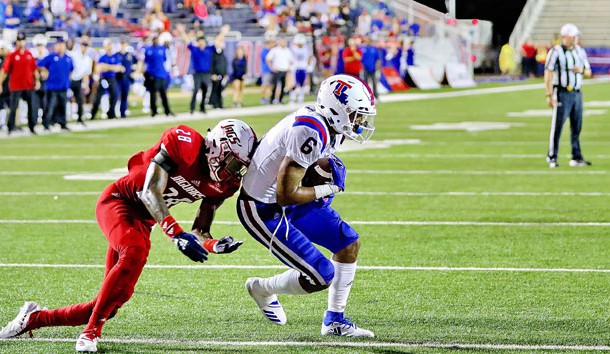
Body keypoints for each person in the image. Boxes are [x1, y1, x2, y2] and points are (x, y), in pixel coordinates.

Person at [0, 119, 258, 353]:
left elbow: (199, 231)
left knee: (108, 305)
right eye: (234, 163)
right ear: (218, 148)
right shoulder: (185, 143)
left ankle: (34, 318)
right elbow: (149, 192)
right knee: (134, 251)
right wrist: (175, 233)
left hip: (142, 221)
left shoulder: (225, 184)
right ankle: (90, 333)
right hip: (119, 202)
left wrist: (213, 245)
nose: (235, 173)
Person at [236, 74, 376, 337]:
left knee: (348, 244)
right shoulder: (311, 130)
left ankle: (334, 321)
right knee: (321, 275)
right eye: (356, 115)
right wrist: (328, 187)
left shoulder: (327, 125)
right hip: (261, 207)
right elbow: (285, 196)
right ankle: (262, 287)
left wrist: (323, 170)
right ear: (337, 109)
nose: (360, 122)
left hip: (284, 196)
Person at [544, 23, 592, 168]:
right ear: (565, 36)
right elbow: (548, 73)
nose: (576, 37)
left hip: (577, 93)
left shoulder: (580, 51)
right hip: (562, 92)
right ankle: (552, 156)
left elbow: (589, 72)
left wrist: (581, 70)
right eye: (573, 35)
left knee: (577, 126)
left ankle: (576, 157)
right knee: (557, 126)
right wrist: (549, 94)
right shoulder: (556, 51)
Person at [0, 32, 40, 135]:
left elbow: (34, 69)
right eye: (19, 40)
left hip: (28, 85)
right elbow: (4, 71)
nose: (21, 42)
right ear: (17, 41)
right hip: (16, 86)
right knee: (13, 107)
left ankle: (32, 126)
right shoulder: (12, 55)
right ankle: (10, 127)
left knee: (32, 107)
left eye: (22, 40)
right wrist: (0, 83)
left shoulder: (29, 54)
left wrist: (37, 80)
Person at [38, 37, 74, 131]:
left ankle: (62, 123)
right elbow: (39, 64)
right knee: (49, 106)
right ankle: (46, 123)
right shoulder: (51, 57)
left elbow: (71, 70)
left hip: (63, 86)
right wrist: (44, 71)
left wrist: (67, 81)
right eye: (59, 45)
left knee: (62, 106)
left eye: (62, 44)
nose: (61, 47)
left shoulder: (68, 58)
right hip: (52, 87)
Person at [91, 39, 123, 120]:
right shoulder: (102, 56)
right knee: (98, 97)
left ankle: (111, 113)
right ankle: (93, 114)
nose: (109, 47)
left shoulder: (115, 56)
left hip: (112, 78)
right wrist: (111, 67)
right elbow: (99, 68)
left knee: (114, 95)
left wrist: (106, 66)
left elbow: (119, 68)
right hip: (103, 78)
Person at [143, 36, 174, 117]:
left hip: (162, 74)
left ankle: (167, 111)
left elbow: (164, 59)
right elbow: (146, 61)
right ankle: (154, 111)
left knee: (163, 94)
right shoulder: (148, 49)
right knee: (153, 94)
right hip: (153, 75)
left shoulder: (162, 49)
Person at [68, 38, 93, 124]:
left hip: (78, 80)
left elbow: (86, 73)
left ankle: (80, 118)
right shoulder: (74, 55)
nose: (84, 48)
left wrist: (86, 85)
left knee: (80, 99)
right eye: (83, 45)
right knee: (65, 98)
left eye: (86, 46)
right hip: (70, 79)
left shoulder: (88, 59)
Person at [266, 37, 293, 104]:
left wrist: (289, 67)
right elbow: (268, 59)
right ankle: (272, 99)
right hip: (277, 70)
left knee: (283, 86)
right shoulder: (275, 50)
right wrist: (271, 67)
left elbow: (291, 60)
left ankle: (281, 99)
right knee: (275, 85)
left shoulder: (288, 51)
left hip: (284, 70)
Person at [116, 38, 137, 118]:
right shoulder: (117, 54)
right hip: (118, 78)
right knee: (117, 95)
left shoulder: (130, 55)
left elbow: (137, 63)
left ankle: (123, 112)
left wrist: (134, 72)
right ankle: (115, 111)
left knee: (125, 95)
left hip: (127, 78)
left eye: (124, 44)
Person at [289, 34, 312, 105]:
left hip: (303, 67)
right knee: (295, 84)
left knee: (302, 84)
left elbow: (310, 56)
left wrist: (308, 65)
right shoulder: (293, 48)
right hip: (296, 68)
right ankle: (292, 99)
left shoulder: (306, 48)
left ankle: (300, 99)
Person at [209, 36, 227, 109]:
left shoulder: (222, 52)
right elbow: (212, 64)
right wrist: (212, 74)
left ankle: (220, 104)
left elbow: (224, 64)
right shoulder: (213, 53)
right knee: (215, 89)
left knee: (220, 89)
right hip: (215, 74)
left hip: (221, 74)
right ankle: (214, 103)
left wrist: (225, 73)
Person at [260, 36, 275, 104]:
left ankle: (268, 97)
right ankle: (263, 98)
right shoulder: (264, 51)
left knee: (271, 85)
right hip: (266, 70)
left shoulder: (271, 51)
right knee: (265, 84)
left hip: (272, 70)